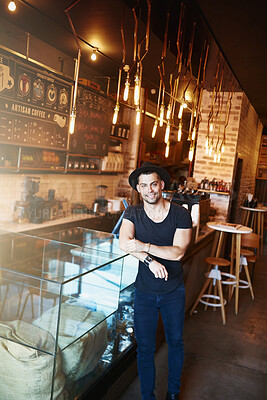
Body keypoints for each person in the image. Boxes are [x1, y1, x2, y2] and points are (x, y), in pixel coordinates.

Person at [119, 162, 192, 400]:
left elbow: (178, 252)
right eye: (144, 186)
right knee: (146, 349)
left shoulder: (180, 214)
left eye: (153, 184)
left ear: (161, 185)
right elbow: (124, 243)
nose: (150, 190)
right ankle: (147, 396)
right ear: (138, 189)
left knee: (175, 343)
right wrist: (150, 261)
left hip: (173, 290)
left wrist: (144, 246)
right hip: (145, 292)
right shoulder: (132, 213)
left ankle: (173, 392)